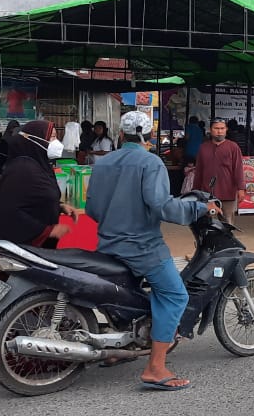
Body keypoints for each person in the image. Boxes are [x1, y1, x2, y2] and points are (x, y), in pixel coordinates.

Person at [86, 111, 220, 391]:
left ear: (121, 135)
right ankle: (156, 367)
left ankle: (117, 349)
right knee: (174, 294)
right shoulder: (151, 162)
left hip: (107, 244)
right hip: (142, 247)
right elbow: (163, 207)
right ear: (148, 137)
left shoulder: (103, 163)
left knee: (126, 296)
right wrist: (199, 208)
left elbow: (92, 210)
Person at [0, 119, 74, 382]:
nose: (56, 143)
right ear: (34, 140)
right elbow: (10, 214)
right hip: (18, 250)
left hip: (29, 249)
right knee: (12, 305)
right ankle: (9, 363)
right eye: (52, 137)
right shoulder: (23, 170)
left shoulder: (35, 165)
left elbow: (36, 198)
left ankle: (34, 359)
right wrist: (48, 231)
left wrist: (60, 206)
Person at [192, 119, 245, 225]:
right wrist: (195, 191)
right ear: (210, 130)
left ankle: (227, 241)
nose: (219, 131)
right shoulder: (203, 148)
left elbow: (238, 169)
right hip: (207, 193)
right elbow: (199, 171)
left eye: (222, 128)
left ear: (226, 130)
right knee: (207, 223)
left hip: (228, 192)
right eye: (216, 128)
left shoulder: (233, 147)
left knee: (227, 223)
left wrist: (241, 188)